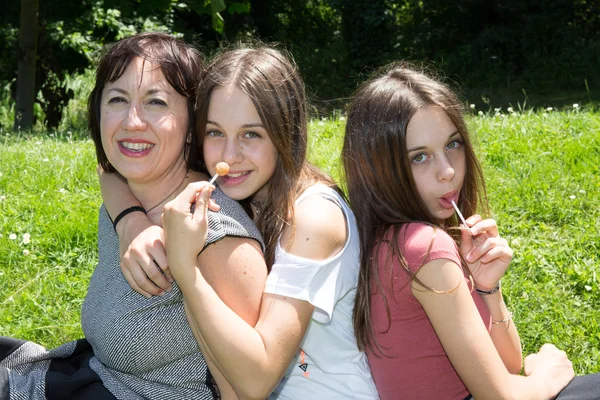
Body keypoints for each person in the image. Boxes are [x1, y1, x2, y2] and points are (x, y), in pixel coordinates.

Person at [101, 45, 379, 399]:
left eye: (252, 134)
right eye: (216, 133)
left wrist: (186, 268)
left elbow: (255, 381)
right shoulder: (242, 192)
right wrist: (131, 223)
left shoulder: (313, 220)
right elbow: (110, 172)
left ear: (286, 135)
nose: (228, 158)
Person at [0, 32, 267, 400]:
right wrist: (129, 220)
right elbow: (106, 170)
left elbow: (242, 389)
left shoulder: (215, 233)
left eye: (156, 102)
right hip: (72, 377)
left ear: (194, 127)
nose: (132, 121)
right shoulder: (130, 195)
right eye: (117, 99)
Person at [342, 63, 600, 400]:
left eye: (452, 145)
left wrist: (487, 288)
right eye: (419, 158)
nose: (447, 171)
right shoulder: (424, 248)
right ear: (378, 171)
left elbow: (508, 364)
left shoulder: (385, 241)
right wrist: (551, 374)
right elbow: (502, 395)